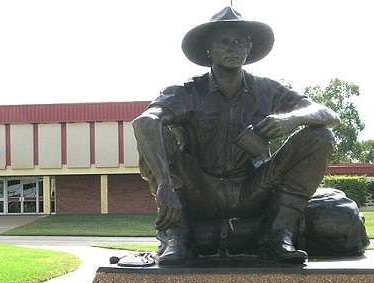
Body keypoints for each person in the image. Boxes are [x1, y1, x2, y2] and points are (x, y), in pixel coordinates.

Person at [132, 7, 340, 264]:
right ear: (209, 49)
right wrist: (164, 183)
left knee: (320, 137)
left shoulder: (268, 89)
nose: (234, 47)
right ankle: (176, 236)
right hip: (199, 189)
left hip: (253, 187)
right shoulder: (186, 92)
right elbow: (144, 121)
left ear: (249, 48)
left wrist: (291, 119)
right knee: (154, 131)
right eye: (225, 41)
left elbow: (328, 114)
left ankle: (277, 234)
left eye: (240, 41)